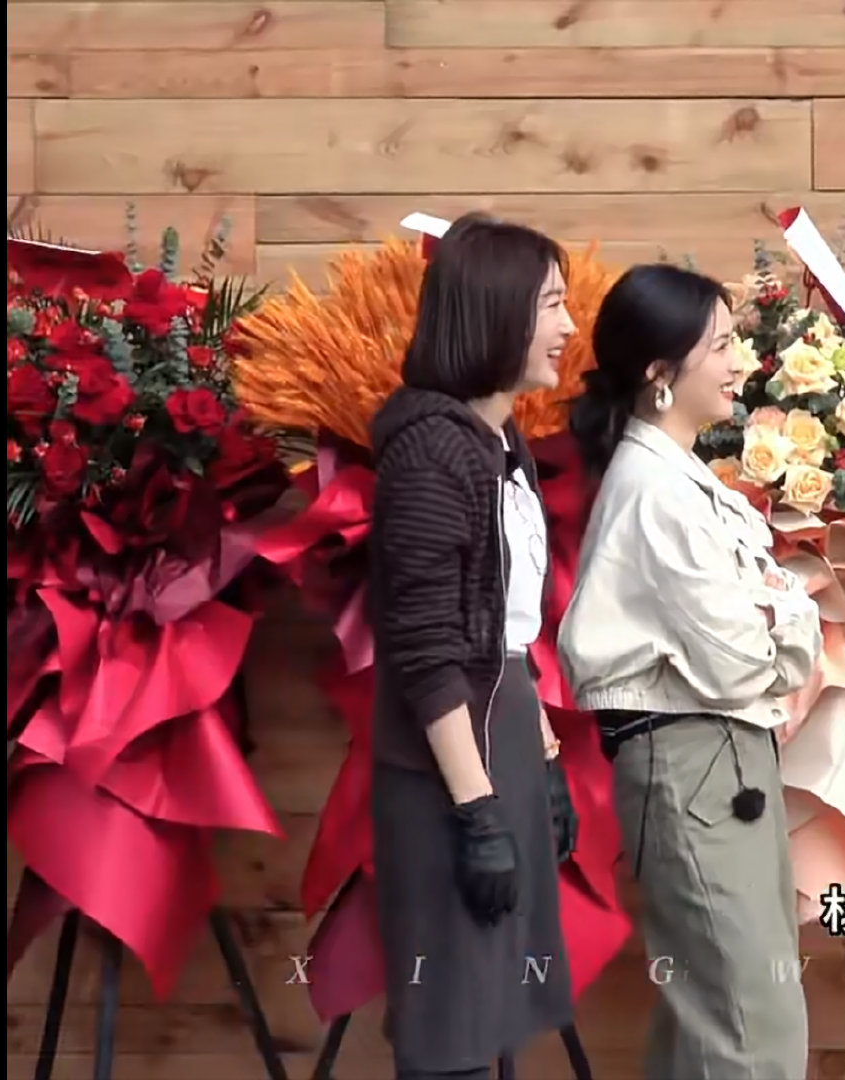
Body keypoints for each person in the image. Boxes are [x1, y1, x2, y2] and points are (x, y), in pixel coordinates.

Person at [558, 263, 822, 1079]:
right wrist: (781, 612)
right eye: (722, 345)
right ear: (659, 372)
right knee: (749, 1027)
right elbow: (742, 660)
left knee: (721, 1018)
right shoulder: (656, 492)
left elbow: (778, 639)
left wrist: (777, 617)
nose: (742, 361)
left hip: (718, 760)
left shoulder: (680, 478)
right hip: (693, 760)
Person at [365, 213, 583, 1079]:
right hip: (447, 770)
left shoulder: (499, 442)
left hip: (504, 742)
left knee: (493, 1009)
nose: (569, 326)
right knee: (450, 1026)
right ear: (496, 311)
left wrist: (544, 757)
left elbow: (505, 631)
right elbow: (426, 650)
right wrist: (476, 811)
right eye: (552, 305)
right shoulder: (429, 452)